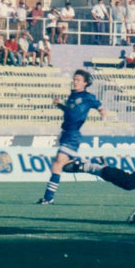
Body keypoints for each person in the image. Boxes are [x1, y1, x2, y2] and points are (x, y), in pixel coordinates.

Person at [37, 70, 108, 205]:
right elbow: (71, 112)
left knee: (57, 164)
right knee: (65, 167)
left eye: (78, 80)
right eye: (74, 79)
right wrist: (60, 106)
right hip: (66, 133)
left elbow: (100, 107)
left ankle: (48, 197)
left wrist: (103, 114)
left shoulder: (88, 96)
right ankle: (94, 161)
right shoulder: (72, 95)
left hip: (73, 135)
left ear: (86, 83)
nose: (75, 82)